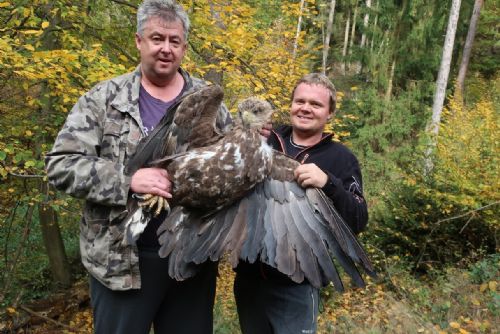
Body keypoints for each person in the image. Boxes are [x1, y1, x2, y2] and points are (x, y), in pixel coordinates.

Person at [45, 1, 231, 333]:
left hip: (190, 259)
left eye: (174, 41)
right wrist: (128, 179)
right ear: (138, 41)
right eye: (156, 38)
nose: (166, 49)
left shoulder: (210, 102)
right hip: (120, 262)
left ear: (185, 47)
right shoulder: (103, 99)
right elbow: (61, 165)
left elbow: (232, 170)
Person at [234, 73, 368, 334]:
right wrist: (244, 134)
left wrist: (329, 183)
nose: (305, 108)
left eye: (316, 104)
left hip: (296, 283)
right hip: (249, 279)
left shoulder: (341, 158)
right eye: (300, 101)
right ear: (291, 104)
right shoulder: (266, 138)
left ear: (330, 113)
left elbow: (358, 220)